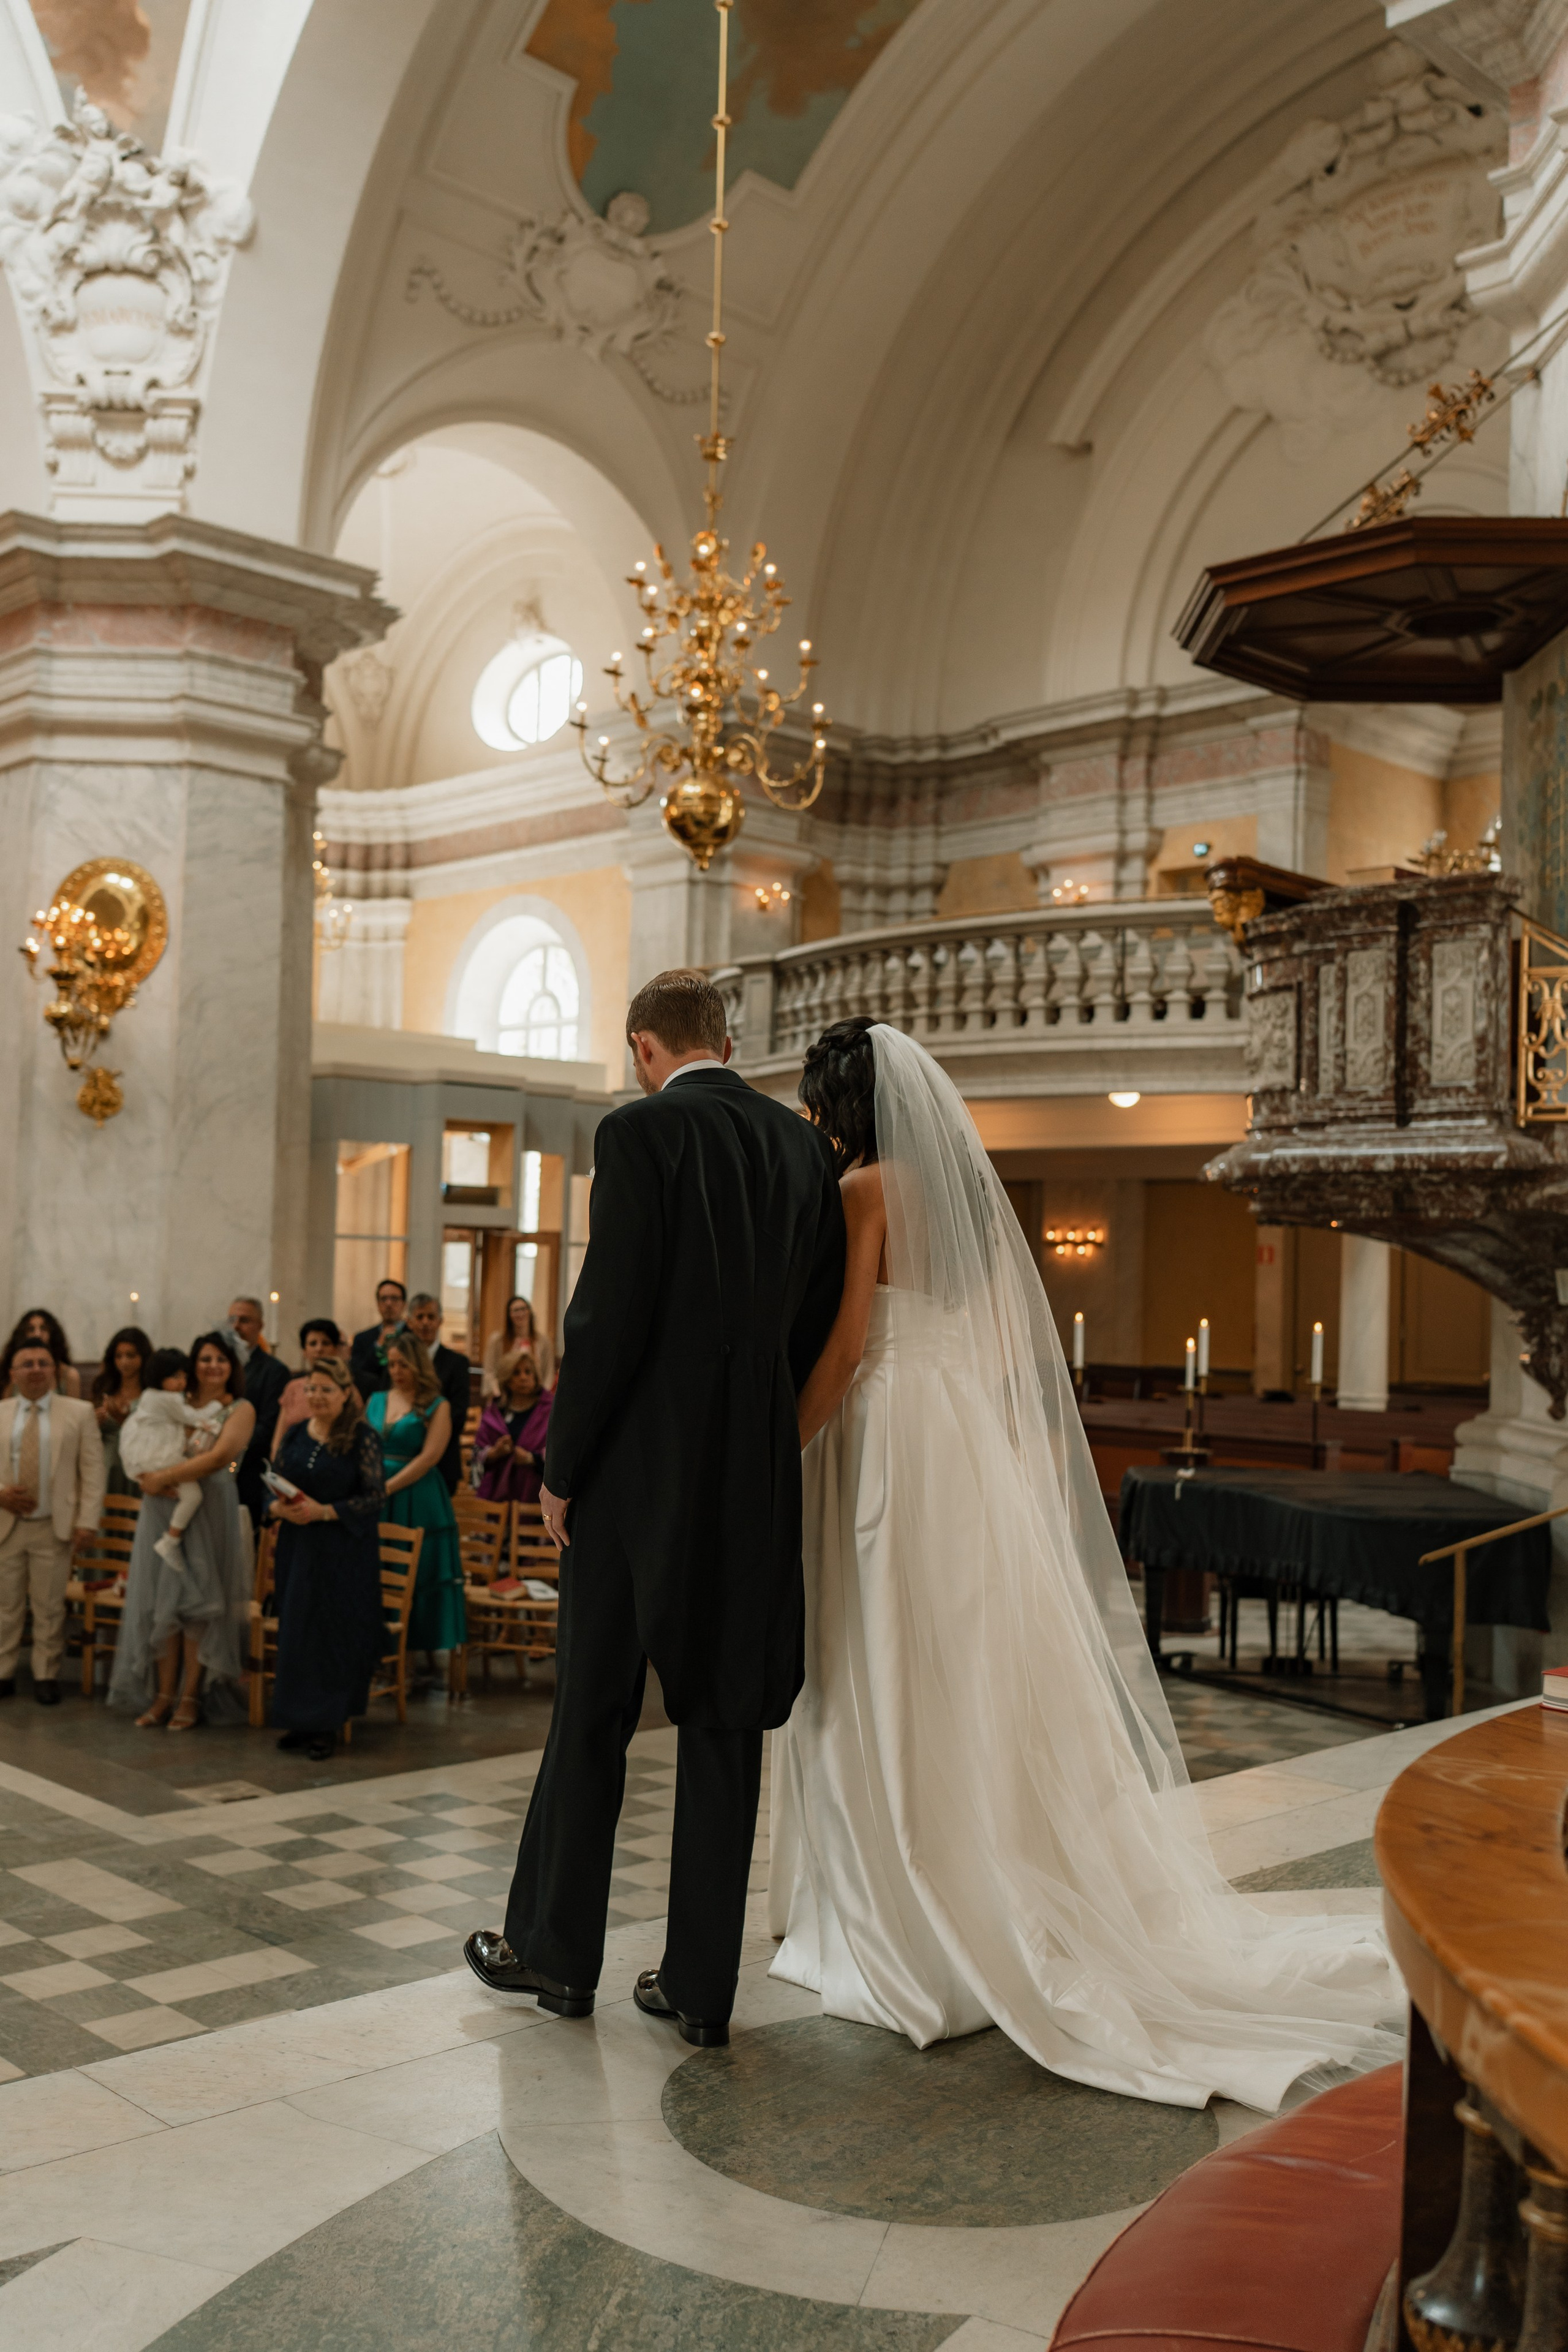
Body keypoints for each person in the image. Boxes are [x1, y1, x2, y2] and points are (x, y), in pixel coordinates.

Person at [769, 1019, 1402, 2113]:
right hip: (956, 1437)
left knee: (881, 1652)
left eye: (824, 1104)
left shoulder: (864, 1189)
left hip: (884, 1435)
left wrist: (785, 1446)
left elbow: (845, 1347)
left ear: (847, 1105)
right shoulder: (959, 1193)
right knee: (967, 1658)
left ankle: (910, 1911)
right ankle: (996, 1864)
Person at [464, 968, 845, 2045]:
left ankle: (556, 1956)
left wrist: (562, 1465)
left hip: (633, 1480)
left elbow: (609, 1319)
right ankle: (698, 1990)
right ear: (724, 1037)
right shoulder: (801, 1148)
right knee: (726, 1719)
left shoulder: (638, 1138)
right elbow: (812, 1326)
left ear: (644, 1047)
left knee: (593, 1709)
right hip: (754, 1478)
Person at [109, 1333, 255, 1732]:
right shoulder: (171, 1401)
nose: (212, 1366)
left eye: (221, 1360)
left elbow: (220, 1458)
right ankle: (162, 1696)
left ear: (232, 1367)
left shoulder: (240, 1409)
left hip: (209, 1507)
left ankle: (191, 1696)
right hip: (163, 1508)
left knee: (198, 1608)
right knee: (162, 1604)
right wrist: (145, 1476)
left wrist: (163, 1478)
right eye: (205, 1359)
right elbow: (141, 1437)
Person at [269, 1357, 388, 1762]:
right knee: (298, 1630)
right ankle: (298, 1719)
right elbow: (274, 1481)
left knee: (332, 1633)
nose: (316, 1396)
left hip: (343, 1551)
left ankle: (327, 1723)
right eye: (311, 1389)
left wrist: (325, 1512)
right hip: (298, 1547)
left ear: (345, 1395)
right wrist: (276, 1508)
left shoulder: (361, 1436)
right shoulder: (297, 1432)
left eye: (326, 1389)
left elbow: (375, 1496)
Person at [0, 1339, 105, 1704]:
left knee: (49, 1606)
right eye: (26, 1364)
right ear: (13, 1374)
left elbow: (92, 1469)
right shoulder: (0, 1412)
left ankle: (47, 1674)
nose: (35, 1370)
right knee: (5, 1605)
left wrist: (88, 1521)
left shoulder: (78, 1412)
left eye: (43, 1363)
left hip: (54, 1524)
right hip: (6, 1525)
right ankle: (3, 1672)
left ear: (56, 1371)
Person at [366, 1331, 465, 1659]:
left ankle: (413, 1647)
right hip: (377, 1490)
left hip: (417, 1494)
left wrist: (389, 1487)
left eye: (403, 1365)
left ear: (418, 1365)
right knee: (378, 1567)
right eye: (392, 1364)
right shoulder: (377, 1400)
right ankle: (380, 1646)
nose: (396, 1371)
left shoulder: (438, 1405)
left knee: (417, 1571)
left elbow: (429, 1457)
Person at [117, 1355, 227, 1566]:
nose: (182, 1382)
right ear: (160, 1378)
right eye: (176, 1377)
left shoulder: (150, 1396)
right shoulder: (167, 1399)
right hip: (158, 1455)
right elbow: (194, 1417)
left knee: (183, 1493)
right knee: (194, 1495)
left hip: (145, 1455)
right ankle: (171, 1540)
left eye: (184, 1377)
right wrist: (217, 1404)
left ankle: (170, 1539)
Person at [227, 1297, 289, 1527]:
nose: (236, 1326)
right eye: (232, 1319)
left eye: (244, 1320)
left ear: (260, 1326)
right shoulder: (220, 1365)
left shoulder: (274, 1370)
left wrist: (229, 1450)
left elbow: (267, 1424)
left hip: (248, 1468)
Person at [405, 1293, 472, 1494]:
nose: (426, 1323)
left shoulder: (457, 1363)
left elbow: (459, 1412)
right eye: (420, 1317)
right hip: (404, 1455)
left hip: (443, 1460)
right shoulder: (400, 1362)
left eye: (431, 1317)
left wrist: (430, 1430)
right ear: (409, 1322)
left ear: (440, 1321)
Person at [472, 1349, 552, 1507]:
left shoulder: (551, 1409)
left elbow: (561, 1453)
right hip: (497, 1495)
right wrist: (495, 1452)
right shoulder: (494, 1411)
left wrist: (531, 1459)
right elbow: (477, 1452)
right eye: (516, 1373)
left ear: (536, 1377)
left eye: (528, 1372)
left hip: (537, 1495)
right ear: (506, 1379)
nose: (523, 1377)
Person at [272, 1319, 355, 1458]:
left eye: (326, 1343)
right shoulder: (293, 1387)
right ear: (304, 1351)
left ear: (335, 1349)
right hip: (292, 1460)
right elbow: (279, 1437)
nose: (319, 1349)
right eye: (313, 1344)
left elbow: (354, 1430)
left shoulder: (345, 1388)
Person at [91, 1325, 152, 1497]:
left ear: (143, 1357)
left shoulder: (152, 1392)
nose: (124, 1362)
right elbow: (87, 1434)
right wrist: (93, 1422)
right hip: (107, 1464)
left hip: (141, 1463)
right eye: (119, 1356)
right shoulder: (104, 1387)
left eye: (131, 1355)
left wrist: (121, 1418)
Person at [481, 1294, 555, 1395]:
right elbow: (489, 1372)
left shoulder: (543, 1342)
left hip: (535, 1397)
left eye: (523, 1309)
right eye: (515, 1311)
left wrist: (542, 1396)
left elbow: (549, 1374)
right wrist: (498, 1394)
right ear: (509, 1315)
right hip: (504, 1396)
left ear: (529, 1311)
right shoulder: (497, 1341)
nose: (520, 1314)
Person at [350, 1278, 409, 1400]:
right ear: (378, 1304)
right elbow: (358, 1374)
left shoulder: (414, 1337)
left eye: (394, 1299)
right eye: (384, 1299)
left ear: (404, 1304)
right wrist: (378, 1345)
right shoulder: (362, 1338)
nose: (389, 1304)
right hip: (371, 1400)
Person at [2, 1310, 81, 1398]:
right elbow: (5, 1408)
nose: (37, 1334)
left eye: (43, 1329)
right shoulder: (10, 1372)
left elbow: (75, 1410)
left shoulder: (69, 1375)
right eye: (31, 1329)